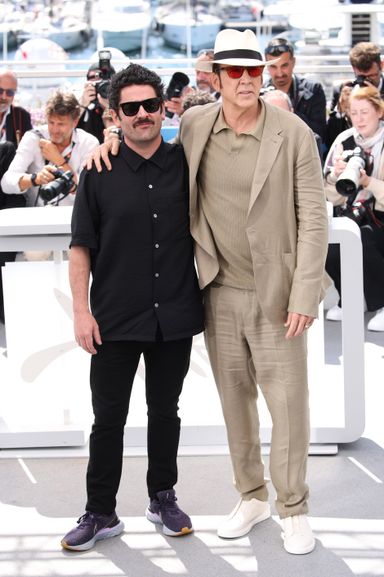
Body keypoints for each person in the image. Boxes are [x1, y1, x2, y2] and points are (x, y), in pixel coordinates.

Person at [89, 29, 329, 556]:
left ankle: (293, 507)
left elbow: (315, 217)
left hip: (280, 292)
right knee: (235, 405)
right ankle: (252, 496)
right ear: (216, 79)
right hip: (217, 290)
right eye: (235, 72)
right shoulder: (196, 124)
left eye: (254, 71)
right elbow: (146, 134)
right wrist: (109, 139)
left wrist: (305, 293)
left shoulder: (292, 133)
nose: (246, 80)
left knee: (289, 407)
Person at [61, 63, 204, 552]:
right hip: (114, 318)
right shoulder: (98, 169)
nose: (142, 115)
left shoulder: (188, 162)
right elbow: (80, 248)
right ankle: (100, 511)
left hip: (175, 314)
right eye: (130, 108)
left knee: (166, 411)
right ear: (114, 114)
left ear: (164, 106)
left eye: (150, 105)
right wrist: (81, 312)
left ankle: (162, 497)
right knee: (108, 419)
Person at [324, 84, 384, 331]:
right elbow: (327, 194)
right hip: (350, 211)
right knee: (328, 243)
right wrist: (335, 177)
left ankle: (381, 303)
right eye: (353, 113)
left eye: (364, 112)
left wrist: (368, 182)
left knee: (366, 241)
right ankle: (350, 299)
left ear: (379, 112)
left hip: (380, 214)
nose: (358, 119)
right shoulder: (343, 140)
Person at [1, 90, 99, 208]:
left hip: (73, 217)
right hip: (36, 216)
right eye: (51, 122)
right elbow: (6, 183)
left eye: (61, 124)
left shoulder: (89, 142)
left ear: (75, 122)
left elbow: (88, 192)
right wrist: (35, 179)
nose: (55, 130)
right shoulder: (33, 137)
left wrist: (59, 160)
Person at [0, 68, 33, 323]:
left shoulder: (21, 117)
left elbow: (25, 158)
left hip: (10, 195)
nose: (4, 96)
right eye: (0, 91)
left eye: (9, 92)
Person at [263, 37, 327, 142]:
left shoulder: (314, 90)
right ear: (267, 66)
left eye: (284, 65)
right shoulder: (258, 94)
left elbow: (320, 133)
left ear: (293, 62)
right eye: (273, 67)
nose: (279, 73)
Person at [330, 42, 384, 111]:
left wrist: (377, 100)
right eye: (362, 77)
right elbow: (331, 121)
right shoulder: (341, 90)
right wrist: (340, 109)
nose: (367, 81)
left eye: (372, 76)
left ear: (381, 65)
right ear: (354, 69)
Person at [77, 62, 116, 143]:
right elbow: (67, 129)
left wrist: (108, 108)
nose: (101, 88)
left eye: (104, 85)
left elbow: (118, 136)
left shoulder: (122, 105)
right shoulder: (81, 105)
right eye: (96, 84)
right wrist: (82, 105)